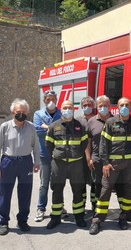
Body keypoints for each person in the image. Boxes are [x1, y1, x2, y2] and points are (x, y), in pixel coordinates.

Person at [89, 97, 131, 235]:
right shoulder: (111, 122)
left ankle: (124, 217)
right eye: (121, 105)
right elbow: (103, 145)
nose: (124, 107)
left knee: (127, 191)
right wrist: (105, 163)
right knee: (105, 191)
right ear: (117, 107)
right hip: (112, 165)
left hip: (129, 166)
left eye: (127, 105)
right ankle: (98, 220)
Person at [45, 100, 88, 229]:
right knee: (57, 189)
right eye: (65, 108)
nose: (67, 110)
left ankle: (79, 216)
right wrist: (57, 155)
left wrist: (76, 155)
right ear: (61, 109)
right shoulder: (53, 126)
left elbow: (84, 144)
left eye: (69, 107)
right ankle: (56, 217)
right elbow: (48, 145)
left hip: (76, 164)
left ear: (73, 109)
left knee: (77, 190)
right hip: (59, 164)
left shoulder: (80, 126)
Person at [0, 99, 40, 235]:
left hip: (26, 162)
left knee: (25, 193)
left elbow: (36, 146)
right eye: (18, 112)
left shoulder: (31, 127)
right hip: (8, 162)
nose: (21, 114)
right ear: (13, 112)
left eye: (24, 112)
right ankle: (3, 221)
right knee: (5, 193)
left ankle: (22, 220)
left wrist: (37, 162)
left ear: (27, 112)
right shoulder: (4, 126)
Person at [33, 90, 62, 222]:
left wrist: (47, 127)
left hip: (59, 155)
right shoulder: (38, 114)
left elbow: (65, 130)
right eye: (48, 99)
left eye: (53, 99)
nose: (51, 102)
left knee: (58, 183)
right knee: (44, 183)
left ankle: (59, 206)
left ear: (56, 100)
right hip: (44, 154)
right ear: (44, 101)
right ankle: (41, 208)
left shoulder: (61, 113)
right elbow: (37, 129)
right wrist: (55, 128)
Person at [85, 95, 112, 212]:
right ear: (97, 107)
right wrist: (88, 158)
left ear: (110, 106)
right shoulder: (91, 122)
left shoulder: (115, 120)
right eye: (101, 106)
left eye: (105, 106)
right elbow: (88, 142)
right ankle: (95, 207)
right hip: (96, 159)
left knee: (112, 185)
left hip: (112, 159)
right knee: (97, 185)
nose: (103, 108)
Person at [76, 96, 95, 210]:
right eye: (85, 105)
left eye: (89, 105)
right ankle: (82, 204)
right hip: (80, 156)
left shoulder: (97, 119)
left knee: (94, 180)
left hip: (95, 155)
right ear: (81, 107)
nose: (87, 107)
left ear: (93, 106)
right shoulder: (77, 121)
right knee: (81, 181)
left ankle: (94, 203)